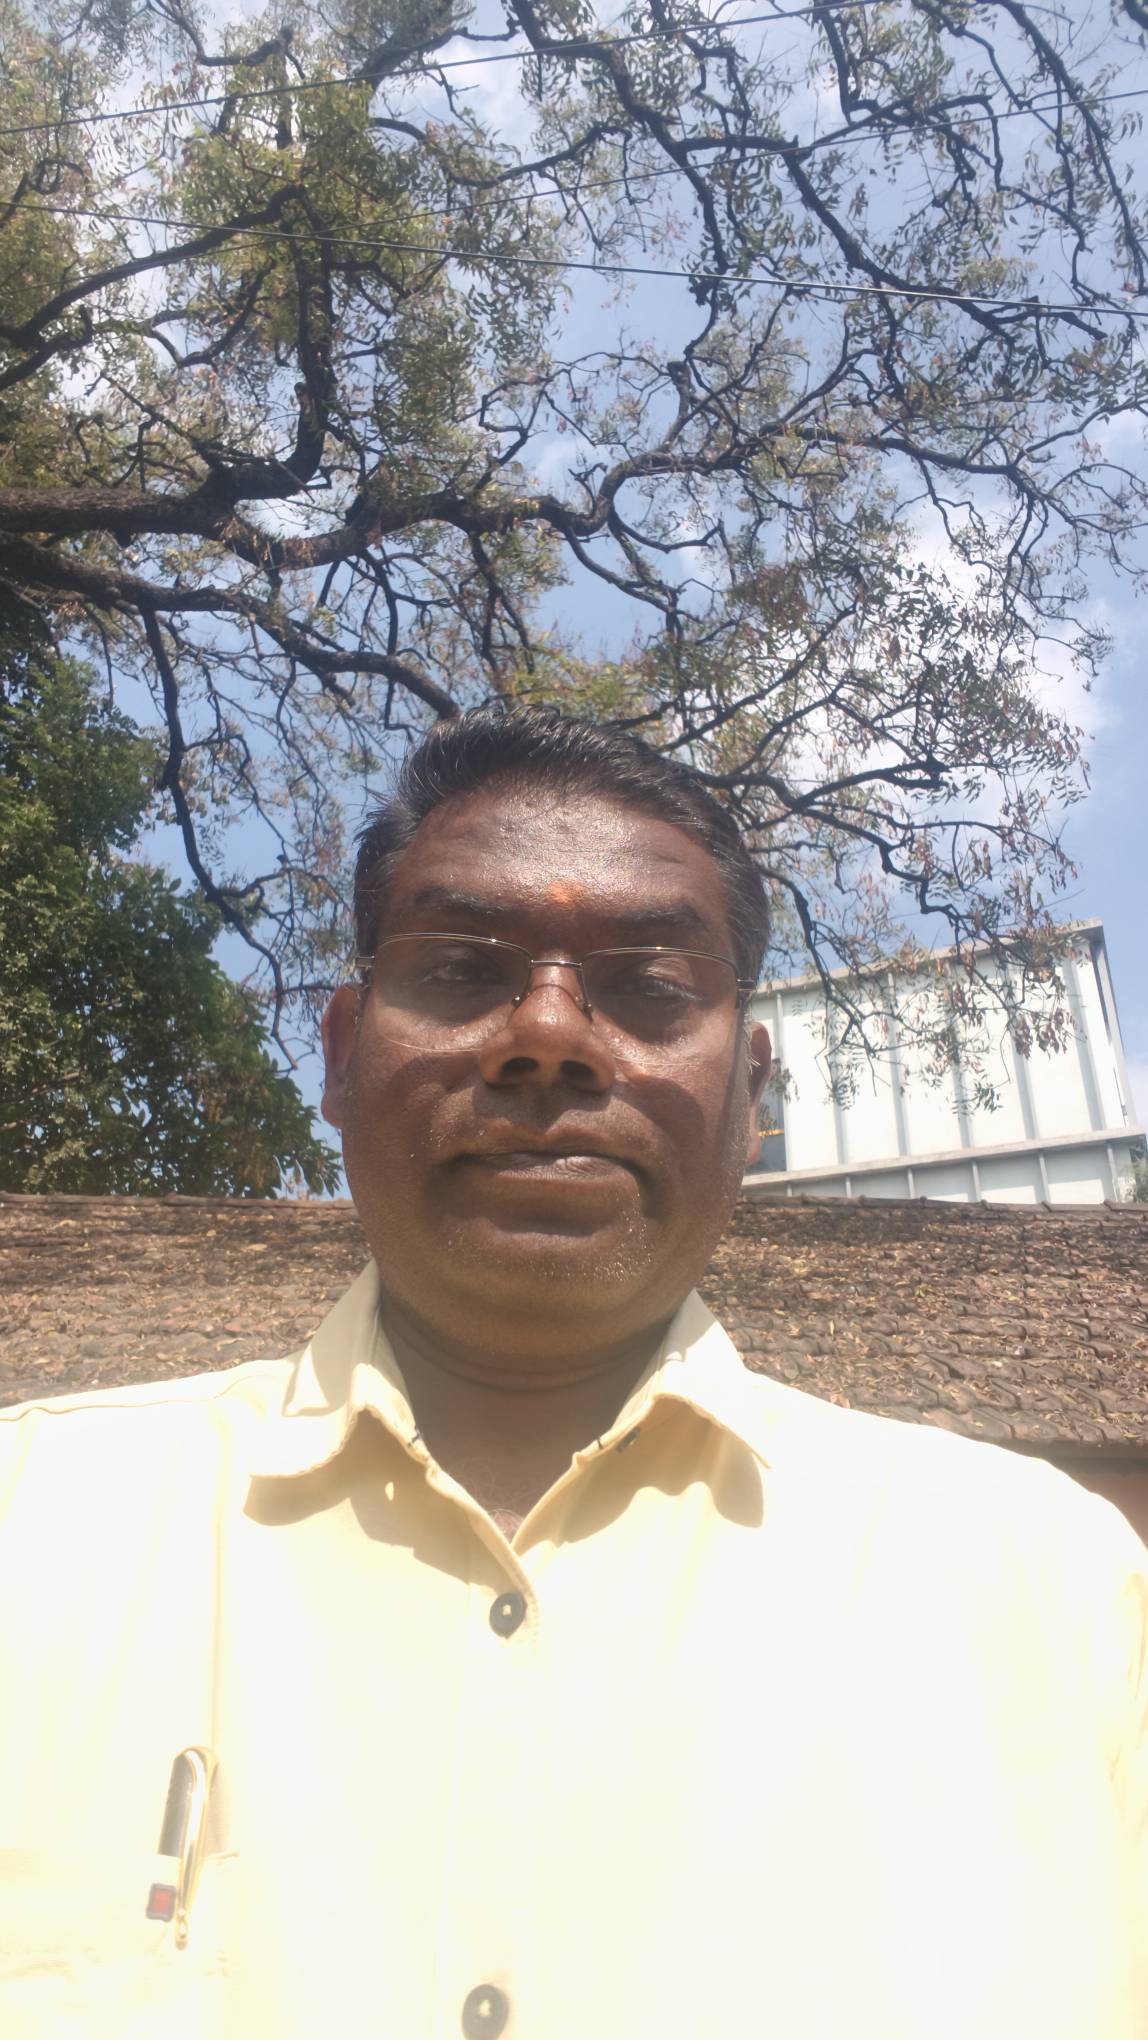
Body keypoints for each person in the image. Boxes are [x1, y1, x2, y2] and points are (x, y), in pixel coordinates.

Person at [0, 705, 1145, 2040]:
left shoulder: (1057, 1597)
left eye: (652, 987)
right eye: (459, 967)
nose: (548, 1032)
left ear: (753, 1092)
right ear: (341, 1055)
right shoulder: (35, 1522)